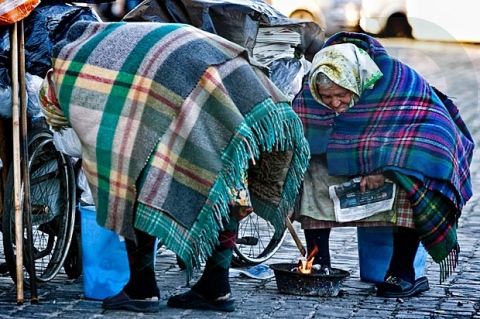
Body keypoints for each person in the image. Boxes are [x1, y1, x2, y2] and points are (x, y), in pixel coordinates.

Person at [40, 21, 309, 313]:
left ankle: (142, 290)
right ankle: (215, 287)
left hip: (189, 78)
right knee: (227, 181)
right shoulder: (103, 42)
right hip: (226, 75)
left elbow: (86, 136)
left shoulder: (71, 76)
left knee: (134, 185)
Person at [292, 31, 474, 298]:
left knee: (411, 178)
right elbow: (301, 135)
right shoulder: (312, 86)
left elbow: (427, 135)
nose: (335, 103)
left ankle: (401, 272)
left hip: (393, 162)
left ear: (356, 81)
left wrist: (383, 169)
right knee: (311, 174)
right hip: (352, 159)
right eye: (326, 97)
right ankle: (319, 263)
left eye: (341, 95)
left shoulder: (396, 79)